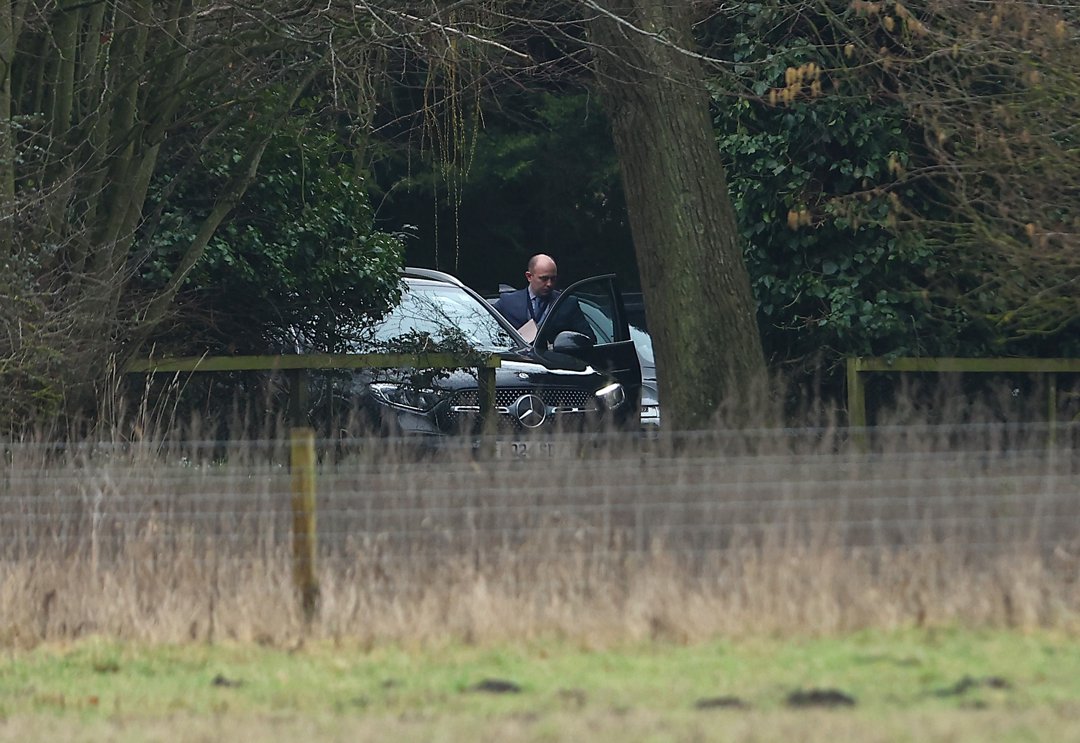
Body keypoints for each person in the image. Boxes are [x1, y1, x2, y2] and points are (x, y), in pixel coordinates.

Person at [493, 254, 595, 343]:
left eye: (553, 279)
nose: (549, 284)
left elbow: (589, 339)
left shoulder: (566, 303)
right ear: (529, 276)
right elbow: (489, 336)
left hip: (555, 362)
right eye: (544, 279)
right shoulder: (507, 303)